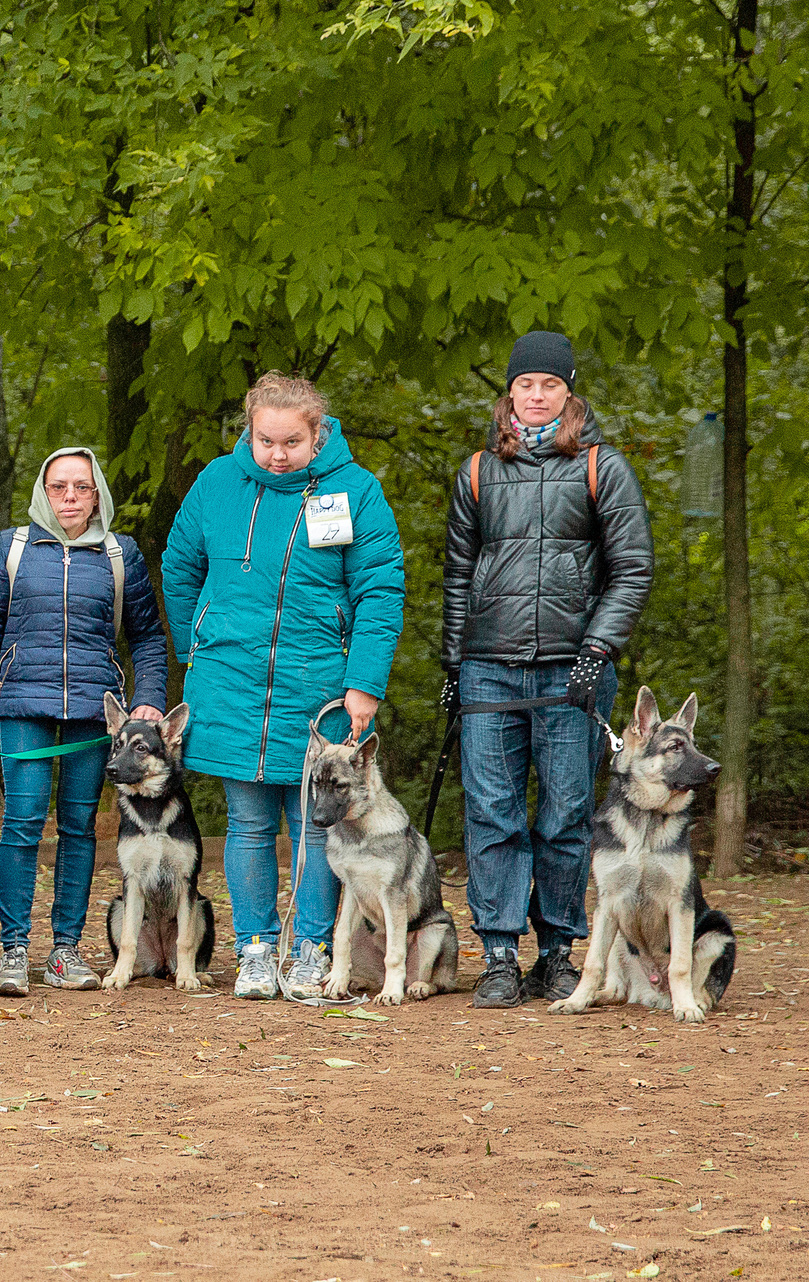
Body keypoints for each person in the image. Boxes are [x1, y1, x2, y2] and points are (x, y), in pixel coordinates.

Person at [160, 371, 405, 1000]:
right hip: (230, 679)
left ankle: (311, 951)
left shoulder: (356, 491)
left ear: (318, 433)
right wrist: (198, 643)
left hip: (318, 682)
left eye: (291, 441)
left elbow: (379, 592)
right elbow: (180, 564)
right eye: (265, 439)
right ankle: (256, 950)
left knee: (315, 824)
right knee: (246, 823)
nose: (276, 452)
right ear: (249, 430)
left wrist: (364, 683)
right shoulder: (217, 481)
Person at [443, 331, 651, 1008]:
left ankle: (558, 953)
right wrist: (454, 661)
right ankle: (500, 953)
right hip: (489, 671)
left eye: (549, 385)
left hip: (572, 673)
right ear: (509, 394)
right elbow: (457, 576)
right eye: (525, 385)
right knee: (492, 812)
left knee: (564, 815)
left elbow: (632, 569)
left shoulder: (602, 468)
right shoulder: (477, 471)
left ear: (569, 393)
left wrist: (598, 649)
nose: (536, 396)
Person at [0, 446, 169, 996]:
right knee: (20, 824)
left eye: (82, 487)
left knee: (78, 827)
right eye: (59, 486)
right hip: (23, 708)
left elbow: (147, 638)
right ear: (43, 492)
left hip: (97, 716)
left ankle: (64, 951)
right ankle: (14, 951)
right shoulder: (10, 549)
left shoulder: (122, 555)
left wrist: (150, 699)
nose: (70, 496)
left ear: (98, 495)